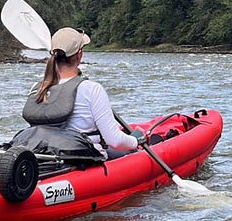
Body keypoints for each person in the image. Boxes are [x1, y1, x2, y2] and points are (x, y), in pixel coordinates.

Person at [21, 27, 145, 160]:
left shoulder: (37, 88)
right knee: (132, 152)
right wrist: (136, 140)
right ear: (79, 54)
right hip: (84, 159)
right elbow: (114, 140)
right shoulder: (92, 89)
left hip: (46, 156)